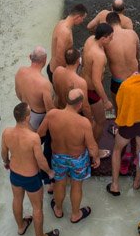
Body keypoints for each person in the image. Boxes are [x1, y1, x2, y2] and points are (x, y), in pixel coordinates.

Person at [38, 89, 100, 225]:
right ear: (80, 104)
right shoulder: (84, 122)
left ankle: (58, 209)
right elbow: (91, 147)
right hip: (78, 159)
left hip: (58, 157)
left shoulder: (52, 114)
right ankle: (75, 214)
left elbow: (40, 133)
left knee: (59, 183)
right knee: (76, 185)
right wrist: (96, 157)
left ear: (67, 100)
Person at [1, 103, 59, 236]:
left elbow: (4, 152)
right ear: (27, 118)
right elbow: (41, 160)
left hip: (15, 174)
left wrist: (7, 162)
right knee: (37, 207)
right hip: (31, 177)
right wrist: (49, 172)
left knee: (17, 199)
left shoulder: (6, 132)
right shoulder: (33, 137)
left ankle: (21, 227)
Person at [111, 56, 140, 196]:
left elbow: (119, 101)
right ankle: (137, 181)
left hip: (127, 123)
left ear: (137, 69)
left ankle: (115, 185)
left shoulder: (126, 84)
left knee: (117, 150)